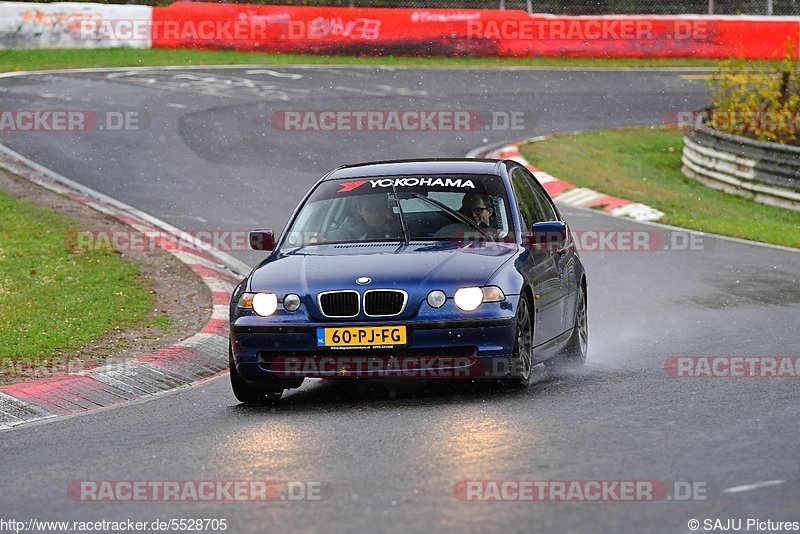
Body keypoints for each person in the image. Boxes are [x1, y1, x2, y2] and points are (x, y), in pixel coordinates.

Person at [327, 194, 403, 242]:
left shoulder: (405, 229)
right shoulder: (346, 234)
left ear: (387, 208)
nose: (375, 215)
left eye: (379, 209)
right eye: (369, 210)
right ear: (359, 211)